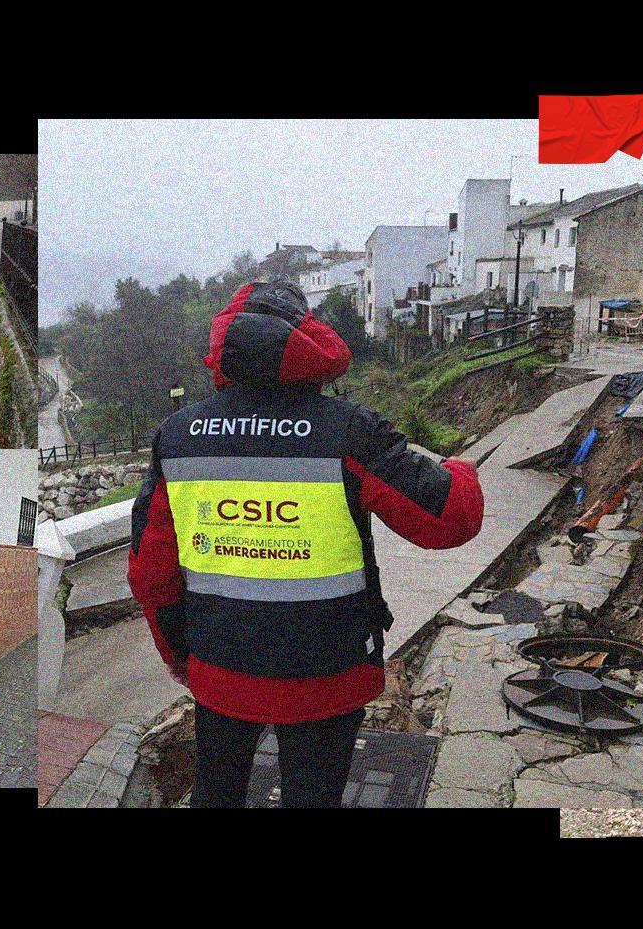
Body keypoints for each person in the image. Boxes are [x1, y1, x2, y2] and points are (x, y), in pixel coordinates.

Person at [129, 281, 484, 808]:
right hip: (329, 675)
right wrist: (459, 467)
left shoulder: (178, 435)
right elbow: (451, 519)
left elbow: (150, 575)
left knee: (216, 794)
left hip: (220, 669)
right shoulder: (348, 431)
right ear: (309, 339)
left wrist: (180, 657)